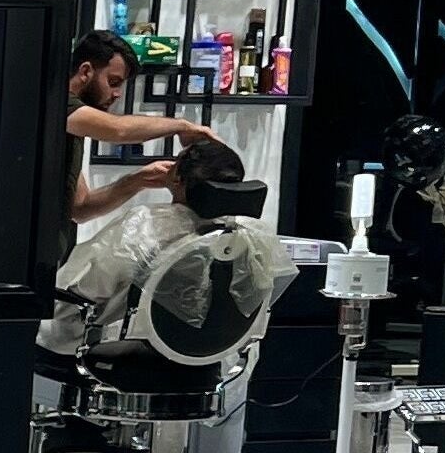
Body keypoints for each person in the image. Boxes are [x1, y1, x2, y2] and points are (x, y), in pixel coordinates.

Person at [42, 137, 274, 357]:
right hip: (204, 359)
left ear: (177, 178)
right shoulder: (246, 240)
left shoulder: (142, 228)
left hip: (116, 352)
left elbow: (80, 292)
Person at [65, 30, 221, 231]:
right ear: (86, 71)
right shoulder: (60, 107)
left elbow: (80, 208)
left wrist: (138, 180)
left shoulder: (74, 129)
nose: (117, 94)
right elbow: (118, 130)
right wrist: (183, 126)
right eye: (113, 82)